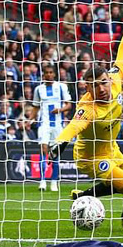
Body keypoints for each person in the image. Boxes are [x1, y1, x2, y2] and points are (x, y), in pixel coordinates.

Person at [50, 0, 123, 231]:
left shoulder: (115, 79)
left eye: (103, 82)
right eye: (95, 85)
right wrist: (61, 141)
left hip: (112, 149)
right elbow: (75, 125)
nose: (101, 88)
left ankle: (85, 196)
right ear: (87, 87)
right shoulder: (88, 107)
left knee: (119, 185)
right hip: (91, 159)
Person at [30, 64, 72, 192]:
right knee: (43, 149)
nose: (48, 75)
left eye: (50, 72)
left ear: (54, 74)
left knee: (55, 153)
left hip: (57, 125)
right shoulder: (38, 89)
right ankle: (42, 182)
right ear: (43, 75)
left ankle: (54, 182)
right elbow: (36, 106)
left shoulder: (61, 87)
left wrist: (60, 109)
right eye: (46, 73)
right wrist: (30, 119)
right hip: (44, 124)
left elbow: (69, 105)